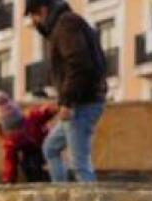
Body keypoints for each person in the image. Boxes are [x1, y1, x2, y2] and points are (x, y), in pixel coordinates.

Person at [24, 0, 108, 183]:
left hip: (82, 104)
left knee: (80, 164)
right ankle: (61, 195)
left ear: (43, 11)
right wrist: (63, 100)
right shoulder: (65, 24)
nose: (34, 23)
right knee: (50, 148)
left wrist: (68, 101)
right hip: (81, 101)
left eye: (34, 17)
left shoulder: (65, 25)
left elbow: (78, 64)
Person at [0, 92, 59, 184]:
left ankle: (46, 179)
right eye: (14, 130)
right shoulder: (10, 141)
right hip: (30, 152)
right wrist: (8, 180)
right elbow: (10, 162)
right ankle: (36, 182)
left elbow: (44, 112)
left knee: (42, 158)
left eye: (18, 127)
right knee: (29, 164)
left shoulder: (32, 118)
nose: (17, 131)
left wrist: (55, 108)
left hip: (44, 144)